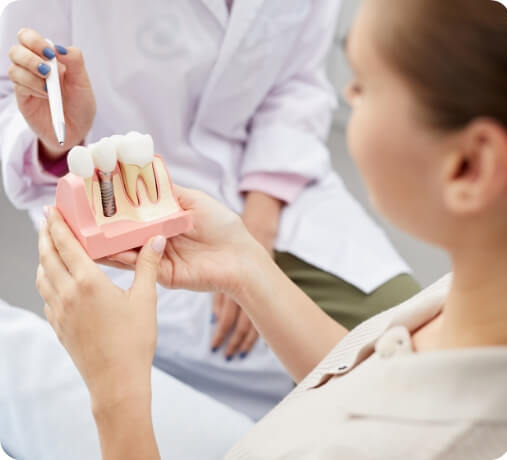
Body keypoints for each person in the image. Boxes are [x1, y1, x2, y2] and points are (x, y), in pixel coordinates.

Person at [34, 0, 507, 458]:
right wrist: (245, 266)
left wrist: (116, 391)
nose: (345, 95)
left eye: (362, 86)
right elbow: (378, 389)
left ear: (468, 166)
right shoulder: (465, 305)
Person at [0, 0, 419, 421]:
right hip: (121, 208)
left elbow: (297, 82)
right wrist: (58, 138)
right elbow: (15, 96)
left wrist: (260, 217)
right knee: (354, 395)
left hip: (277, 187)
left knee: (406, 340)